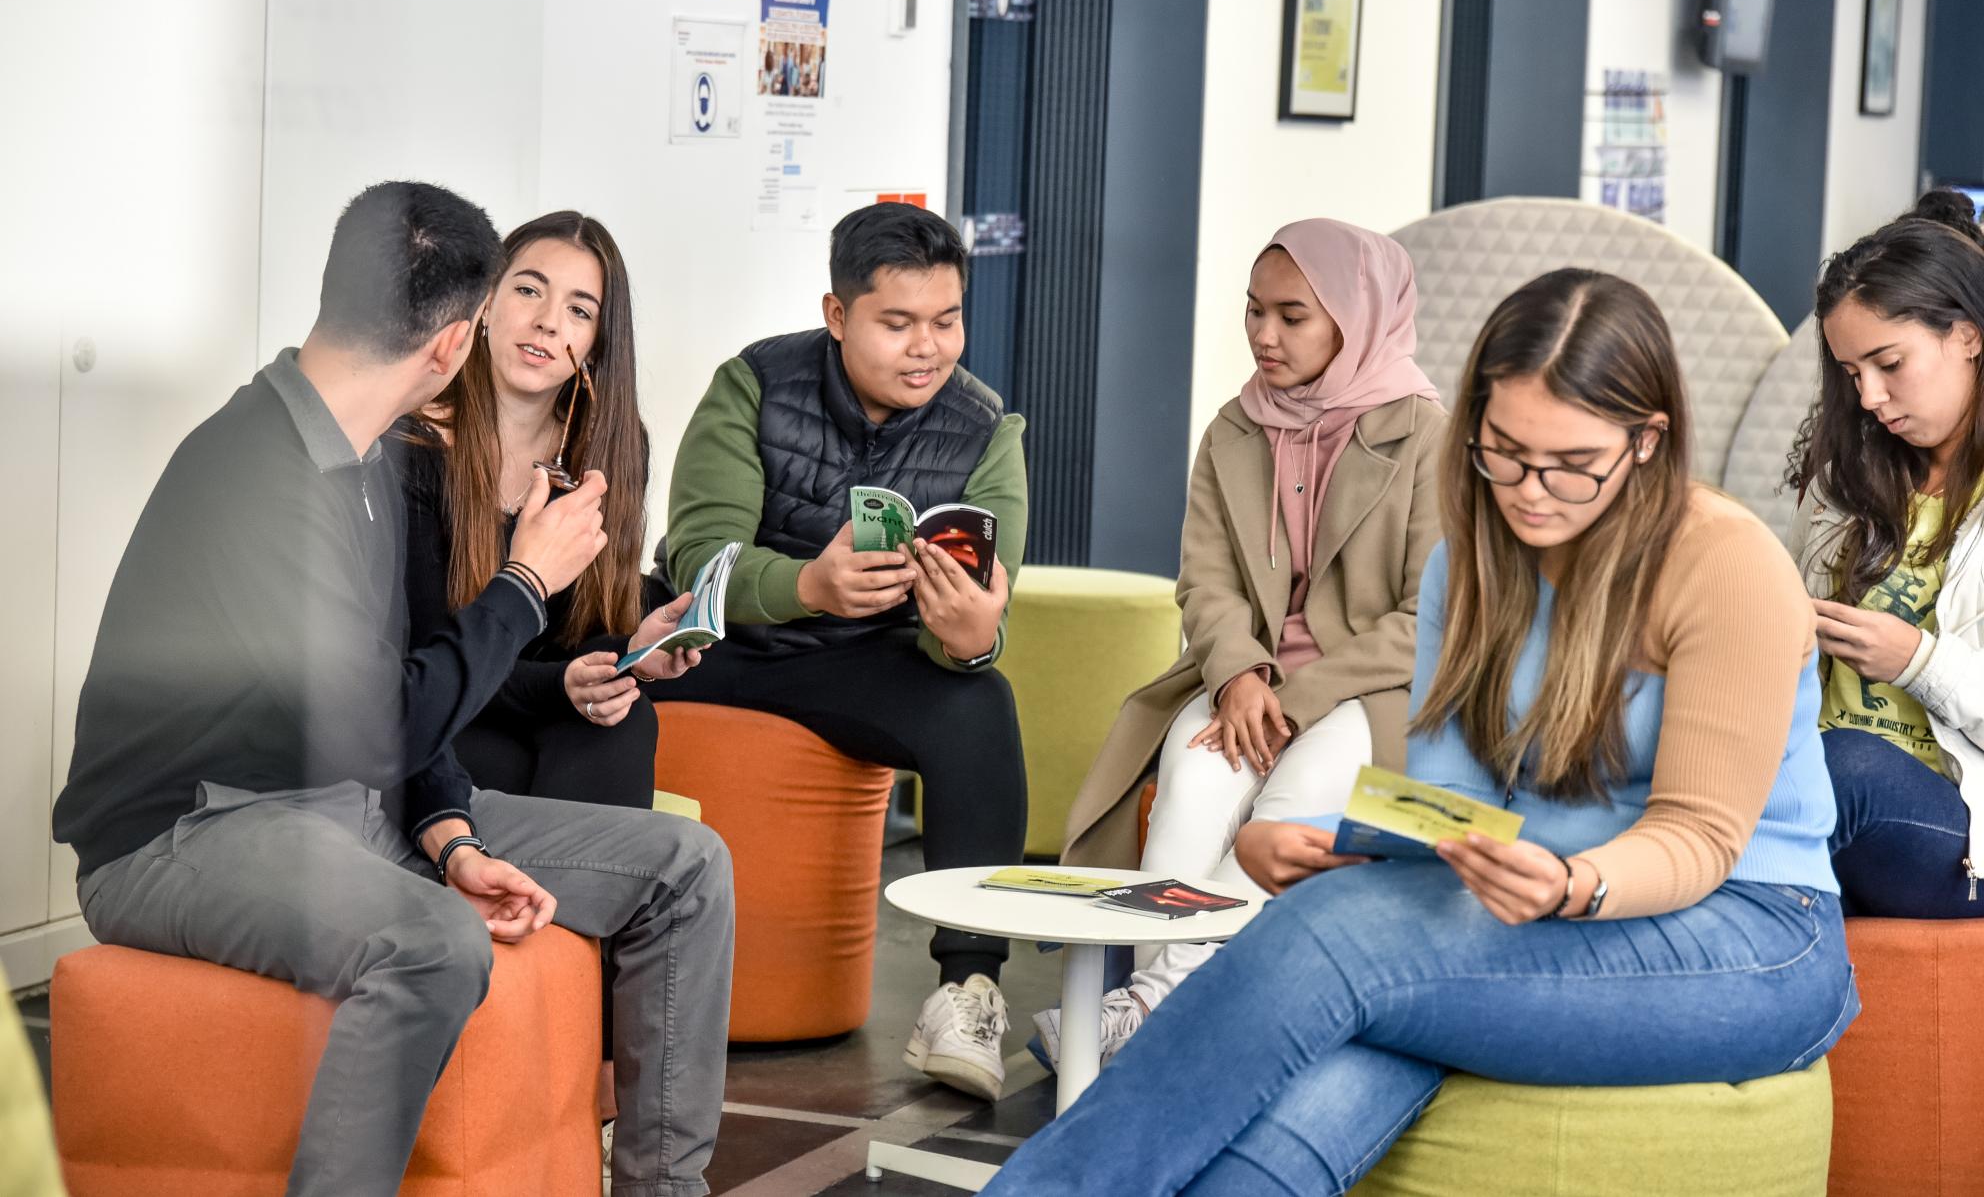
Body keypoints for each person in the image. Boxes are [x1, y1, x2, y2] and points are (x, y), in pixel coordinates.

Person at [983, 269, 1856, 1196]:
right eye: (1504, 453)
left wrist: (1572, 882)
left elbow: (1699, 839)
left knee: (1325, 947)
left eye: (1572, 464)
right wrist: (1326, 845)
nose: (1531, 492)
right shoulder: (1468, 561)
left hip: (1751, 936)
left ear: (1648, 441)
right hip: (1531, 907)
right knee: (1314, 1079)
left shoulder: (1727, 565)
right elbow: (1450, 808)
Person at [50, 182, 734, 1197]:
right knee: (433, 944)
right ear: (459, 342)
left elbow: (387, 708)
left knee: (685, 866)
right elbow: (382, 726)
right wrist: (524, 583)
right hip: (182, 833)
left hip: (341, 810)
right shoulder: (261, 473)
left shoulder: (360, 460)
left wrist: (450, 832)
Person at [1042, 219, 1443, 1068]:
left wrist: (1295, 698)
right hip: (1247, 683)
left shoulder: (1429, 438)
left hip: (1376, 689)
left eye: (1293, 316)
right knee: (1192, 777)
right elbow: (1207, 582)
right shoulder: (1233, 429)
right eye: (1254, 311)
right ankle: (1164, 1022)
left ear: (1356, 317)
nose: (1264, 335)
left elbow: (1429, 614)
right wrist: (1238, 679)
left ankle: (1149, 1004)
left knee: (1295, 795)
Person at [658, 201, 1027, 1100]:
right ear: (838, 315)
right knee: (590, 664)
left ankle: (966, 991)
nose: (927, 348)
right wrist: (805, 587)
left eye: (946, 321)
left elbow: (980, 617)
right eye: (897, 323)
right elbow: (696, 557)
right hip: (727, 646)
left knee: (982, 703)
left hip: (860, 662)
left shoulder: (987, 432)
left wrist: (969, 641)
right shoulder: (753, 383)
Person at [394, 210, 697, 813]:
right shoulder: (412, 440)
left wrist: (631, 650)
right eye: (529, 289)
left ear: (595, 344)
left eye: (580, 311)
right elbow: (424, 659)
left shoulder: (609, 447)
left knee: (625, 723)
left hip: (535, 700)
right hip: (431, 723)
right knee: (532, 763)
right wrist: (560, 685)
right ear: (486, 303)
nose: (547, 322)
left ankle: (574, 904)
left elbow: (571, 632)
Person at [1787, 188, 1984, 918]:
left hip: (1959, 828)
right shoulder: (1846, 479)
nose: (1869, 396)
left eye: (1888, 363)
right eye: (1850, 373)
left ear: (1968, 334)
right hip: (1821, 776)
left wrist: (1917, 661)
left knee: (1844, 770)